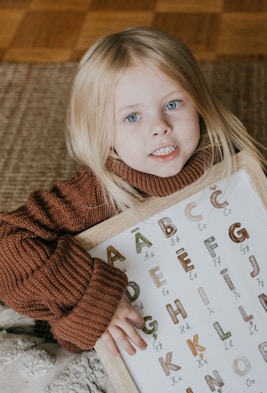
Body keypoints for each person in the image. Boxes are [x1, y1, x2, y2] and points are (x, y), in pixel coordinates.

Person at [0, 26, 265, 357]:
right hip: (138, 351)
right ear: (101, 132)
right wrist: (90, 294)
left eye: (173, 103)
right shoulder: (92, 196)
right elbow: (6, 244)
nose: (159, 127)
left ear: (198, 103)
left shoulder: (233, 164)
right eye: (132, 116)